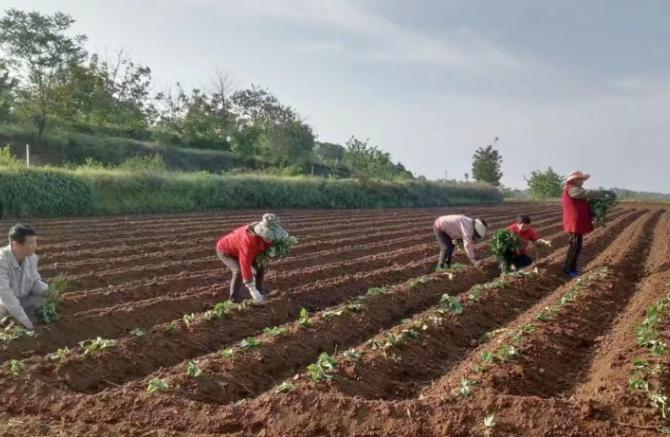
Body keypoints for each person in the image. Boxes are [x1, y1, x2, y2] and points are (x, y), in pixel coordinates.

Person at [215, 213, 288, 303]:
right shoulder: (248, 241)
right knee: (238, 271)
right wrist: (251, 288)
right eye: (269, 236)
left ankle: (259, 290)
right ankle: (233, 300)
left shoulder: (264, 236)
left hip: (244, 250)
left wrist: (274, 252)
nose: (271, 238)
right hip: (225, 250)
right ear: (262, 233)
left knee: (260, 266)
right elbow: (245, 263)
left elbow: (267, 245)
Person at [0, 224, 50, 330]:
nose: (35, 246)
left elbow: (35, 280)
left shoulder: (32, 258)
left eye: (35, 242)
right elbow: (5, 294)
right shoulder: (2, 261)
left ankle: (20, 320)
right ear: (15, 244)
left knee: (41, 299)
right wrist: (25, 321)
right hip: (4, 305)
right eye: (30, 243)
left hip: (22, 301)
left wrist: (48, 291)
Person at [562, 170, 608, 278]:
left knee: (577, 246)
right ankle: (567, 270)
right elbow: (585, 193)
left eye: (582, 180)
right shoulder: (571, 189)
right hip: (574, 223)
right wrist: (602, 192)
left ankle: (572, 268)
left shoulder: (575, 188)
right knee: (574, 246)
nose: (582, 182)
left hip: (577, 222)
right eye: (581, 179)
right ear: (574, 180)